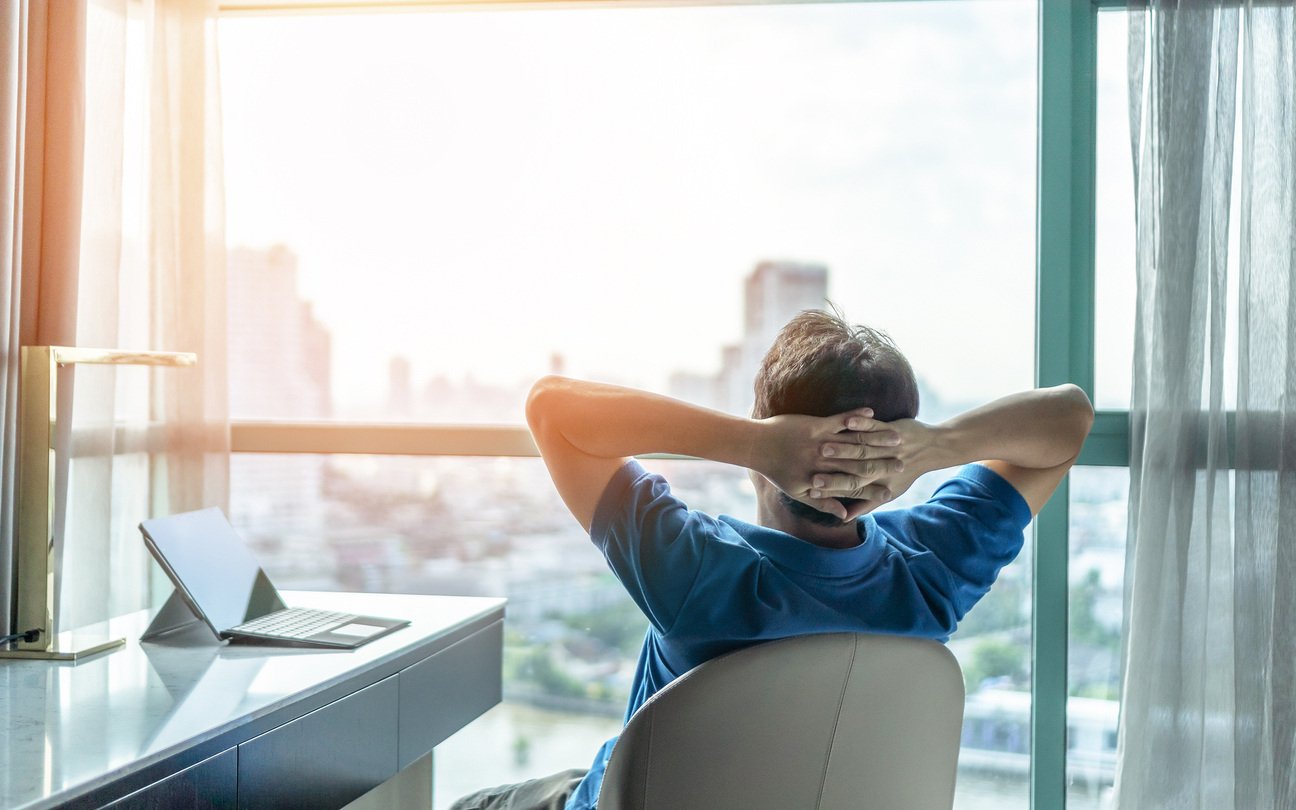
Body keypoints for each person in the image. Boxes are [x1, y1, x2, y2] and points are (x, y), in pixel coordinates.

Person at [450, 309, 1094, 810]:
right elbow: (1070, 416)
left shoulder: (698, 571)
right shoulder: (932, 569)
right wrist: (935, 447)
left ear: (768, 429)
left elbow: (551, 409)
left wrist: (754, 443)